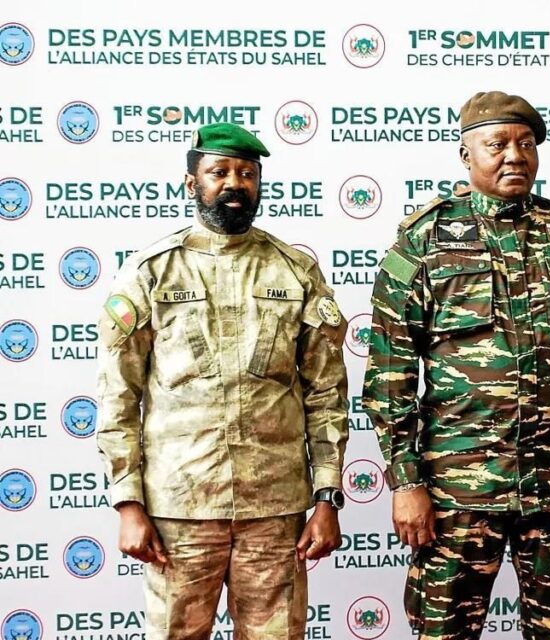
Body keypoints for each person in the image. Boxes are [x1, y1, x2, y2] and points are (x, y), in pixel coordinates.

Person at [362, 91, 550, 640]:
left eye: (526, 144)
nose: (515, 155)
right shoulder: (425, 241)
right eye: (498, 144)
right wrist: (405, 481)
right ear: (465, 155)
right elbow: (389, 373)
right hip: (457, 492)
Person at [96, 123, 349, 640]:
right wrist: (127, 503)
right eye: (219, 172)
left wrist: (327, 498)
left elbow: (326, 395)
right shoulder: (153, 272)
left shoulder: (294, 271)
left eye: (247, 174)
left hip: (274, 509)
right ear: (193, 183)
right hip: (180, 509)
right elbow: (119, 395)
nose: (234, 183)